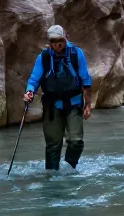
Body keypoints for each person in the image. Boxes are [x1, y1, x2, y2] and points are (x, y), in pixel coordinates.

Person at [24, 24, 93, 171]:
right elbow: (34, 80)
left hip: (73, 103)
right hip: (52, 105)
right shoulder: (44, 57)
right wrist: (29, 92)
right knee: (53, 145)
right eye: (54, 42)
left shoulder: (76, 53)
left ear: (65, 38)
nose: (58, 44)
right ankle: (51, 177)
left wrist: (88, 105)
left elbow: (85, 80)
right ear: (49, 43)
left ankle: (68, 169)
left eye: (60, 40)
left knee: (76, 141)